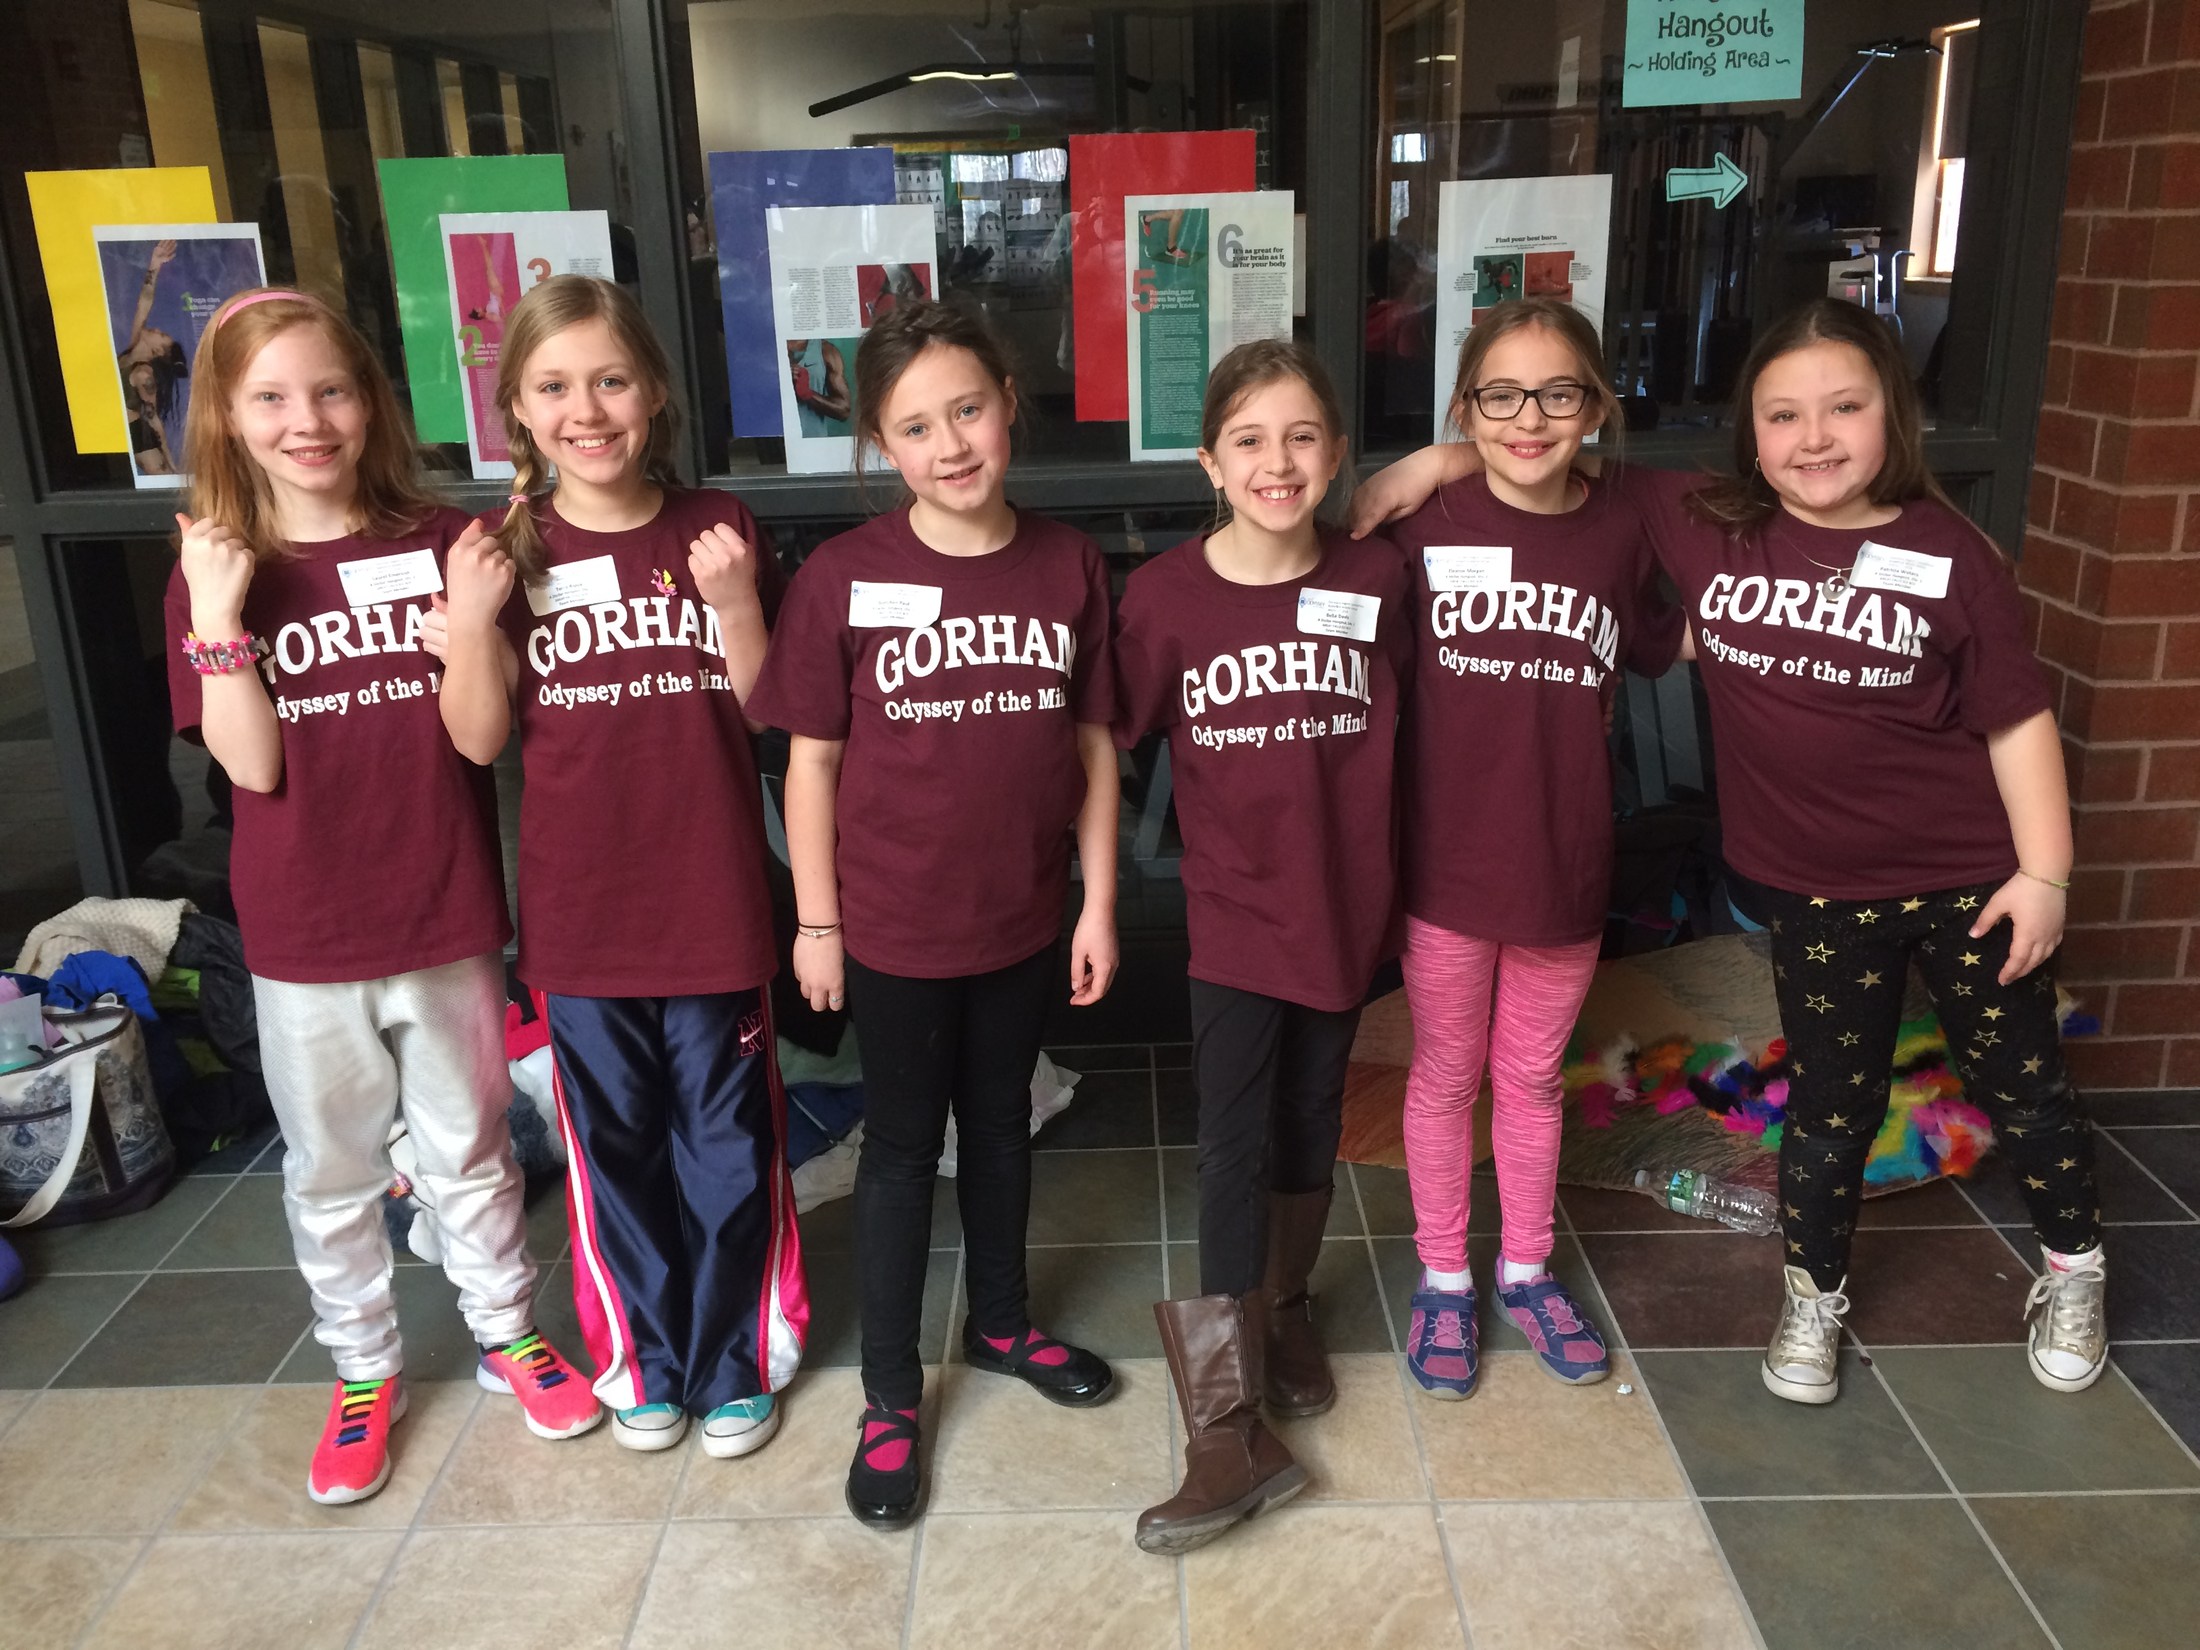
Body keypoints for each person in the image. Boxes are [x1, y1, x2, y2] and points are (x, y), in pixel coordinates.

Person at [1353, 297, 2105, 1404]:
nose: (1814, 436)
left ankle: (2070, 1270)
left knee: (2019, 1086)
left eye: (1844, 408)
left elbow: (2008, 712)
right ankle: (1490, 1284)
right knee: (1809, 1101)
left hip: (1913, 878)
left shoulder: (1908, 550)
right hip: (1735, 887)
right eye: (1784, 414)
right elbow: (1522, 445)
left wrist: (2044, 869)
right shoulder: (1617, 522)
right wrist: (1433, 456)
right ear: (1749, 433)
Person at [163, 287, 598, 1506]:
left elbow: (478, 740)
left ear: (370, 400)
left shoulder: (441, 538)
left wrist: (467, 621)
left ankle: (508, 1331)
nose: (308, 421)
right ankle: (364, 1370)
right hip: (302, 935)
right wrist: (213, 613)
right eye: (272, 399)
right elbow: (248, 766)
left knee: (468, 1151)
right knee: (333, 1168)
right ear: (229, 417)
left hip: (443, 911)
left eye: (332, 390)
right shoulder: (215, 567)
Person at [748, 300, 1120, 1530]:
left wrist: (1097, 902)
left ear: (1009, 403)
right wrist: (817, 924)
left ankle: (1006, 1324)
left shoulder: (1067, 562)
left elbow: (1093, 746)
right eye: (917, 426)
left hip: (1020, 917)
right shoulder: (848, 578)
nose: (951, 444)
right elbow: (808, 761)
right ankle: (894, 1397)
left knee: (1004, 1129)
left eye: (967, 410)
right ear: (882, 447)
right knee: (905, 1150)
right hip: (894, 929)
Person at [439, 274, 806, 1458]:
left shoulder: (716, 527)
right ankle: (642, 1357)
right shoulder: (503, 552)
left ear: (652, 391)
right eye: (554, 386)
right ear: (518, 413)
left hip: (712, 907)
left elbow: (766, 712)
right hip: (581, 919)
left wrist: (739, 603)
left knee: (727, 1141)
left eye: (610, 380)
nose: (586, 409)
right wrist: (467, 612)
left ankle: (735, 1355)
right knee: (617, 1151)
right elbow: (480, 740)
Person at [1113, 338, 1411, 1553]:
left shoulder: (1382, 577)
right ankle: (1225, 1429)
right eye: (1249, 440)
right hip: (1236, 918)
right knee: (1230, 1147)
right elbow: (1102, 740)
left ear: (1335, 454)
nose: (1276, 462)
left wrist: (1437, 453)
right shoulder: (1166, 598)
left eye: (1301, 437)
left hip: (1347, 907)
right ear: (1209, 463)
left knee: (1308, 1119)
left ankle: (1285, 1305)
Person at [1383, 298, 1680, 1403]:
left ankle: (1523, 1268)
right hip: (1445, 868)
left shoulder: (1625, 525)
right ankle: (1445, 1275)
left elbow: (1667, 635)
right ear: (1467, 407)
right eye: (1501, 395)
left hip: (1564, 868)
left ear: (1596, 406)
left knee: (1531, 1083)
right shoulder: (1425, 523)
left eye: (1560, 393)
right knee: (1446, 1074)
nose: (1530, 418)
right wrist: (1429, 461)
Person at [118, 238, 187, 475]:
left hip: (139, 436)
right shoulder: (132, 350)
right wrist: (154, 265)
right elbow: (143, 305)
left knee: (165, 482)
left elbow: (154, 419)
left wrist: (172, 463)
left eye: (162, 335)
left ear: (157, 352)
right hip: (129, 433)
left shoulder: (144, 373)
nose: (157, 329)